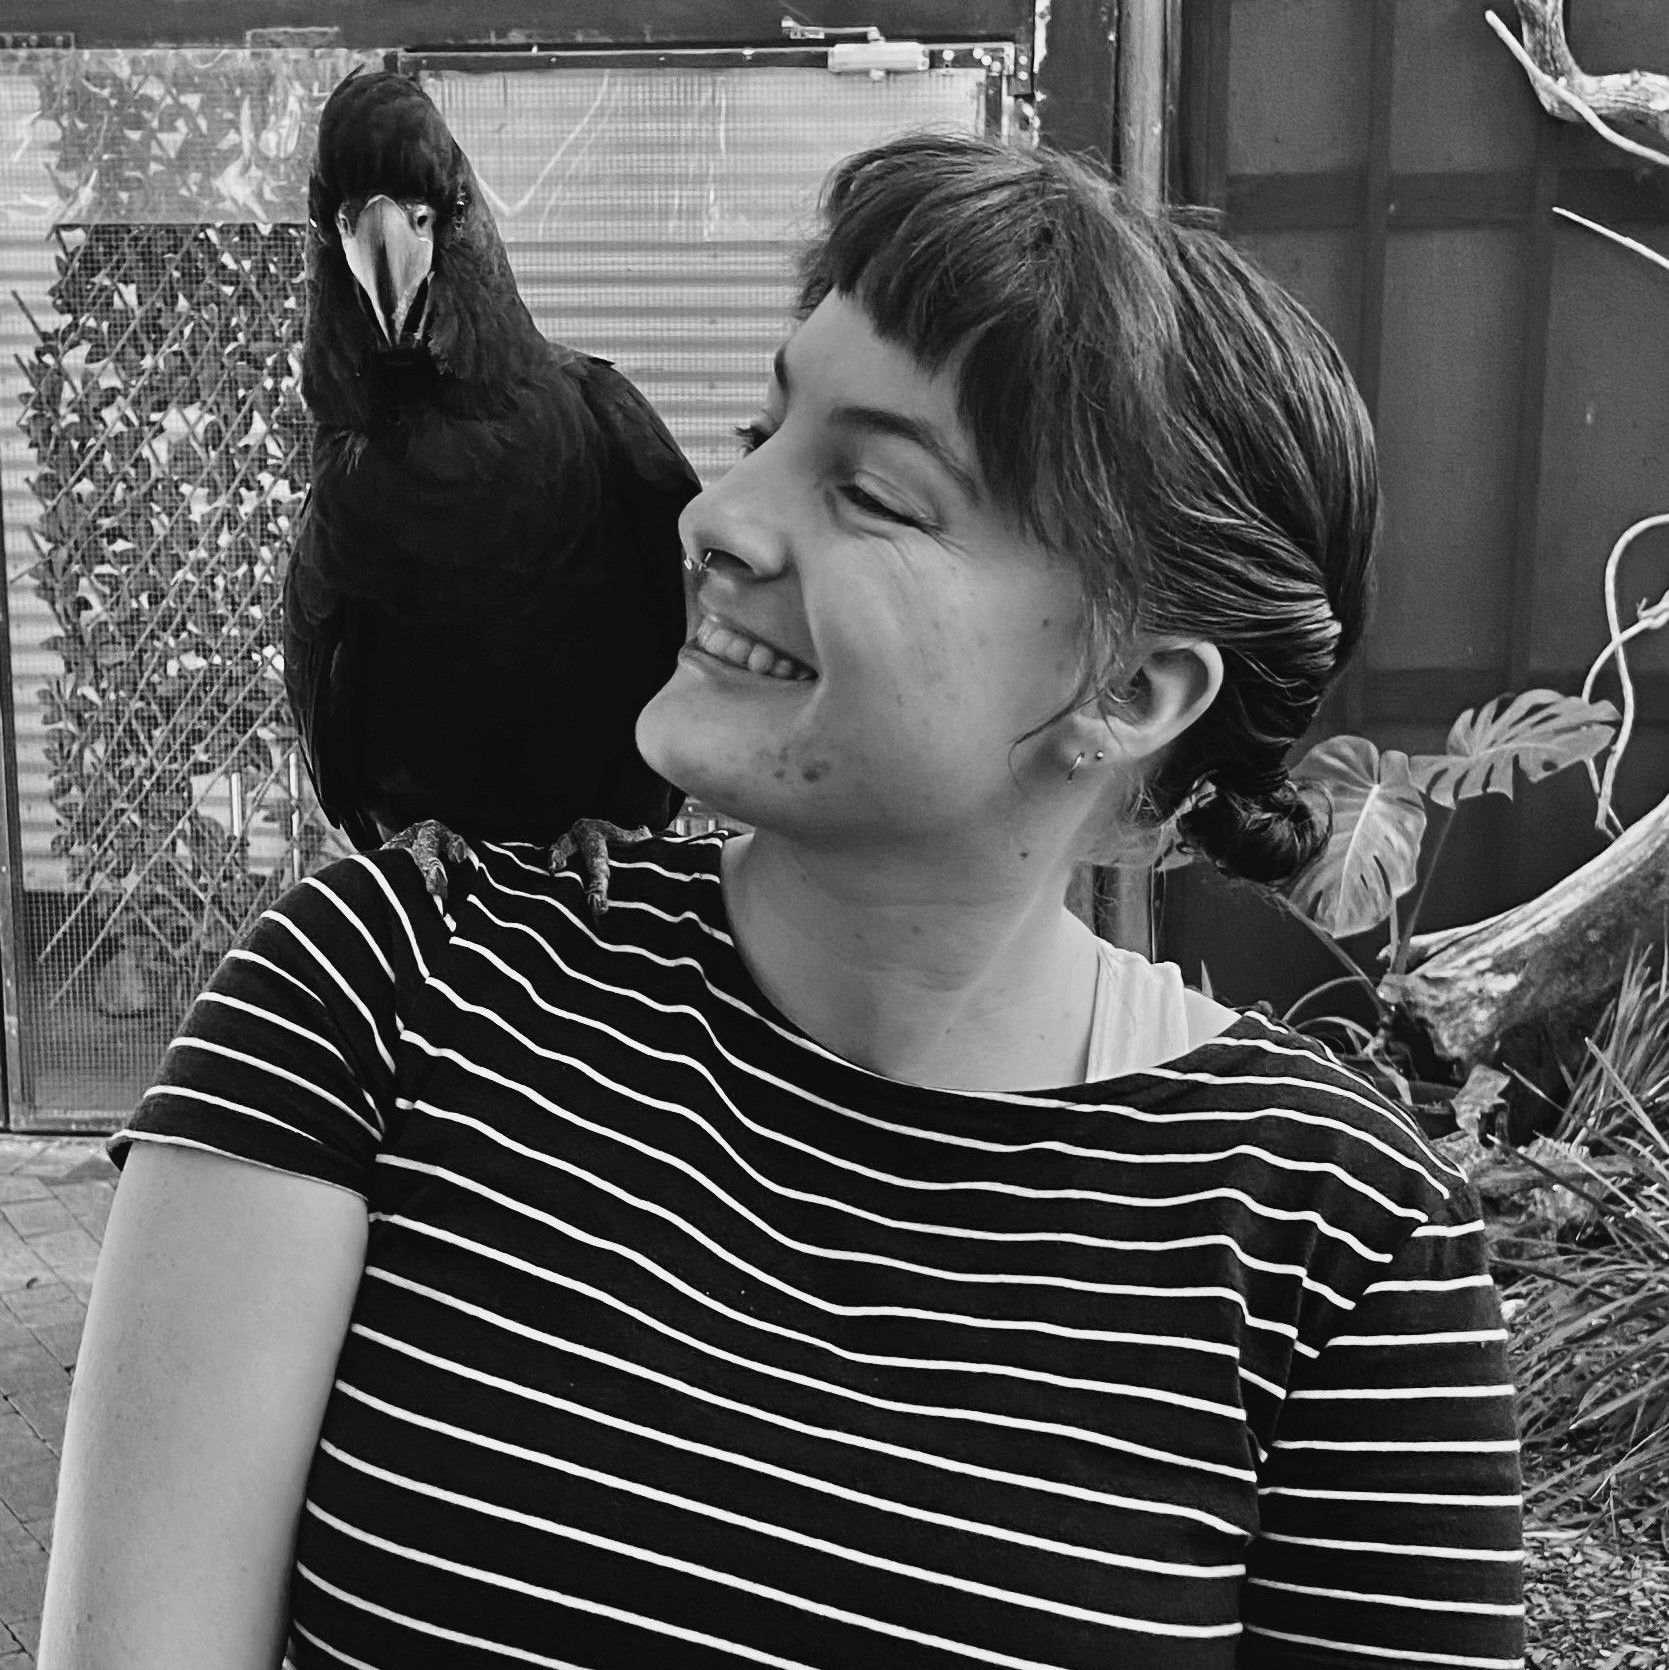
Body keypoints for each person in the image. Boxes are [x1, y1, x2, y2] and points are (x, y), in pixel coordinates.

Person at [40, 132, 1523, 1669]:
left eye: (870, 490)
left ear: (1130, 690)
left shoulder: (1346, 1239)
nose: (713, 514)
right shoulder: (375, 986)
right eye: (764, 426)